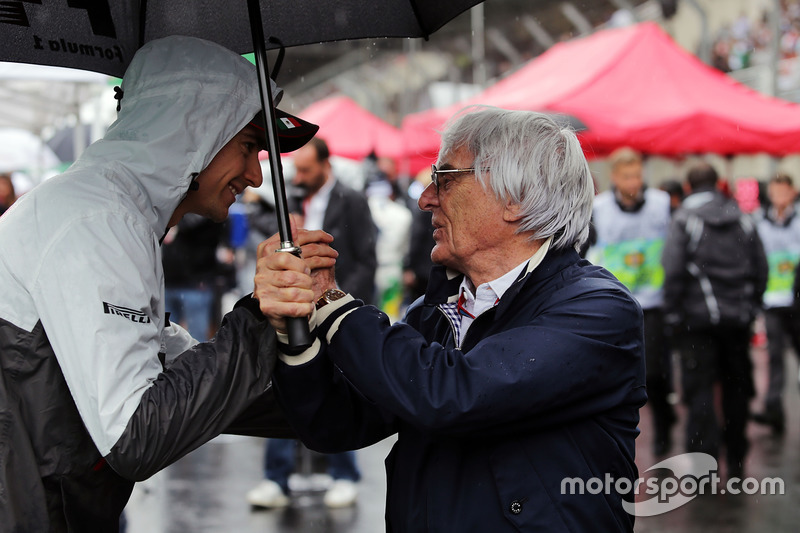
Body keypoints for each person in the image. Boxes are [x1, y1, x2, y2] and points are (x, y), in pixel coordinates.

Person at [256, 106, 646, 531]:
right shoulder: (438, 310)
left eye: (443, 179)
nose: (425, 198)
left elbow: (454, 394)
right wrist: (295, 333)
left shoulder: (598, 309)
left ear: (515, 200)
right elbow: (334, 424)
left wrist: (331, 303)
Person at [0, 36, 321, 531]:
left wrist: (367, 393)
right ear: (193, 129)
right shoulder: (96, 218)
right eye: (249, 146)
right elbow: (136, 435)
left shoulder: (115, 212)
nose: (256, 175)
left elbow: (179, 370)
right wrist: (259, 314)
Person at [246, 136, 377, 509]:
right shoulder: (292, 197)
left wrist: (340, 305)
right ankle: (276, 477)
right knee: (286, 387)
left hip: (333, 306)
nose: (299, 176)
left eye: (305, 170)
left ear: (325, 166)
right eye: (296, 170)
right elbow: (259, 220)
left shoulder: (351, 200)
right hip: (293, 307)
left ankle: (344, 474)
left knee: (340, 388)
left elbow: (366, 258)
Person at [662, 162, 768, 478]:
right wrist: (751, 307)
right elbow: (761, 268)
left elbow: (673, 270)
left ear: (689, 186)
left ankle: (702, 466)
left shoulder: (684, 220)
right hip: (736, 321)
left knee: (700, 392)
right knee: (737, 389)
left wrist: (673, 313)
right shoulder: (743, 219)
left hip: (697, 323)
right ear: (719, 184)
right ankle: (736, 458)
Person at [587, 147, 676, 456]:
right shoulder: (599, 209)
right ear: (614, 177)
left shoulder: (661, 204)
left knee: (654, 372)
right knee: (616, 374)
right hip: (615, 303)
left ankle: (665, 426)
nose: (633, 182)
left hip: (653, 301)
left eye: (637, 175)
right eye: (627, 176)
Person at [752, 173, 800, 433]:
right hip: (772, 301)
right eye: (775, 191)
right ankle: (773, 409)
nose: (779, 197)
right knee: (775, 356)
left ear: (793, 192)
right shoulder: (759, 221)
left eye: (784, 191)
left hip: (797, 300)